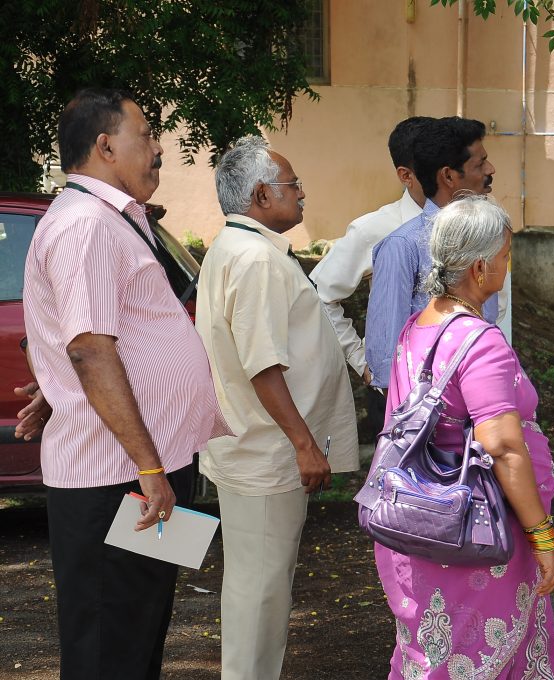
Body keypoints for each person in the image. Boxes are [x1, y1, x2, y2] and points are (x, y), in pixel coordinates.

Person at [21, 87, 229, 680]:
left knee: (140, 628)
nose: (159, 149)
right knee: (108, 644)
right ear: (106, 146)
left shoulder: (112, 217)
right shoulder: (85, 223)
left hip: (148, 470)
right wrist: (149, 467)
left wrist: (56, 386)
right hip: (120, 479)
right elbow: (88, 347)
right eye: (147, 135)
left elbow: (81, 333)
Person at [373, 195, 554, 678]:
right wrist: (543, 537)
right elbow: (502, 446)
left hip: (424, 523)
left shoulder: (418, 327)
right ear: (480, 268)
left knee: (431, 658)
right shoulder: (480, 340)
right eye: (505, 256)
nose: (507, 265)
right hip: (479, 530)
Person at [195, 135, 360, 680]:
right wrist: (304, 444)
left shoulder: (240, 248)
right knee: (260, 590)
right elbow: (262, 364)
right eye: (294, 185)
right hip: (267, 451)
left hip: (257, 445)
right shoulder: (254, 258)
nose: (303, 194)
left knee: (259, 583)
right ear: (263, 195)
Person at [365, 116, 499, 427]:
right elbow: (387, 362)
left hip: (484, 408)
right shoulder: (402, 245)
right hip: (430, 423)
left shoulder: (486, 238)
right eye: (480, 163)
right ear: (448, 176)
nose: (491, 170)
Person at [309, 116, 434, 398]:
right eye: (435, 165)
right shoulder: (375, 228)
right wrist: (361, 360)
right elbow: (319, 294)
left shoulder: (468, 223)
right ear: (406, 175)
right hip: (397, 392)